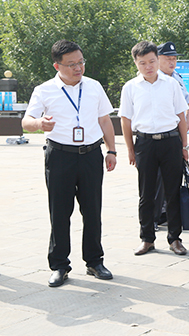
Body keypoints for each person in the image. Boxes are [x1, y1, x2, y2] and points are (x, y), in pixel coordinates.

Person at [22, 40, 117, 287]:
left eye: (81, 62)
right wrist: (39, 124)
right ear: (57, 65)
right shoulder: (44, 90)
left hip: (90, 155)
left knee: (93, 211)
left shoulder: (94, 87)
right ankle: (59, 265)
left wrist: (112, 150)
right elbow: (26, 121)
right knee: (60, 212)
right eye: (72, 64)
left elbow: (105, 120)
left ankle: (95, 261)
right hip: (60, 156)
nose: (78, 68)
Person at [119, 41, 189, 257]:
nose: (148, 66)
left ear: (157, 60)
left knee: (173, 192)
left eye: (151, 61)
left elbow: (181, 117)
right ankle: (147, 238)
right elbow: (125, 120)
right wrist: (130, 149)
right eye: (142, 63)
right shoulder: (130, 87)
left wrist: (184, 146)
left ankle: (175, 238)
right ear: (136, 64)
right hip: (145, 143)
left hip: (170, 142)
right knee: (146, 194)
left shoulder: (171, 85)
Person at [153, 42, 189, 229]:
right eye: (168, 58)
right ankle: (154, 216)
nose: (172, 61)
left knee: (173, 178)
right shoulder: (154, 80)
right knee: (156, 180)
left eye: (174, 58)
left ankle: (167, 213)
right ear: (157, 59)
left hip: (177, 135)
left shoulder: (176, 77)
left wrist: (186, 130)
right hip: (161, 135)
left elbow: (187, 104)